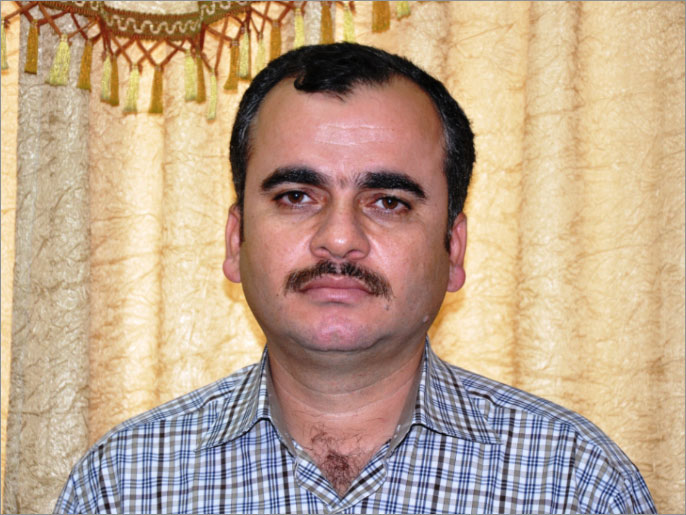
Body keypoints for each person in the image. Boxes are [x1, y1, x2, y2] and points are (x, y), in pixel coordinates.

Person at [54, 43, 656, 514]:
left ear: (453, 249)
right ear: (236, 240)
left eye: (389, 202)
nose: (339, 239)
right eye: (296, 196)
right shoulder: (121, 486)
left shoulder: (577, 485)